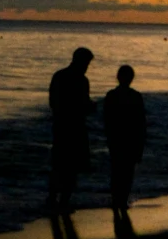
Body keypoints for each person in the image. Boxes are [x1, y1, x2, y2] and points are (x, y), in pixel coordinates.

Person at [46, 47, 97, 211]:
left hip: (62, 126)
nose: (87, 66)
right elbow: (83, 104)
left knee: (60, 165)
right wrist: (89, 107)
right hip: (73, 127)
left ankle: (55, 199)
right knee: (70, 167)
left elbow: (53, 102)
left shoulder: (60, 76)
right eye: (86, 63)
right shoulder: (81, 81)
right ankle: (62, 202)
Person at [101, 64, 147, 216]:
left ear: (118, 77)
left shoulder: (111, 95)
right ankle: (122, 200)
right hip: (131, 139)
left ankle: (116, 200)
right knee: (127, 172)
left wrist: (109, 138)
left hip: (116, 139)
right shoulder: (136, 96)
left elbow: (107, 120)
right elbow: (141, 123)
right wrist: (140, 144)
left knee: (117, 171)